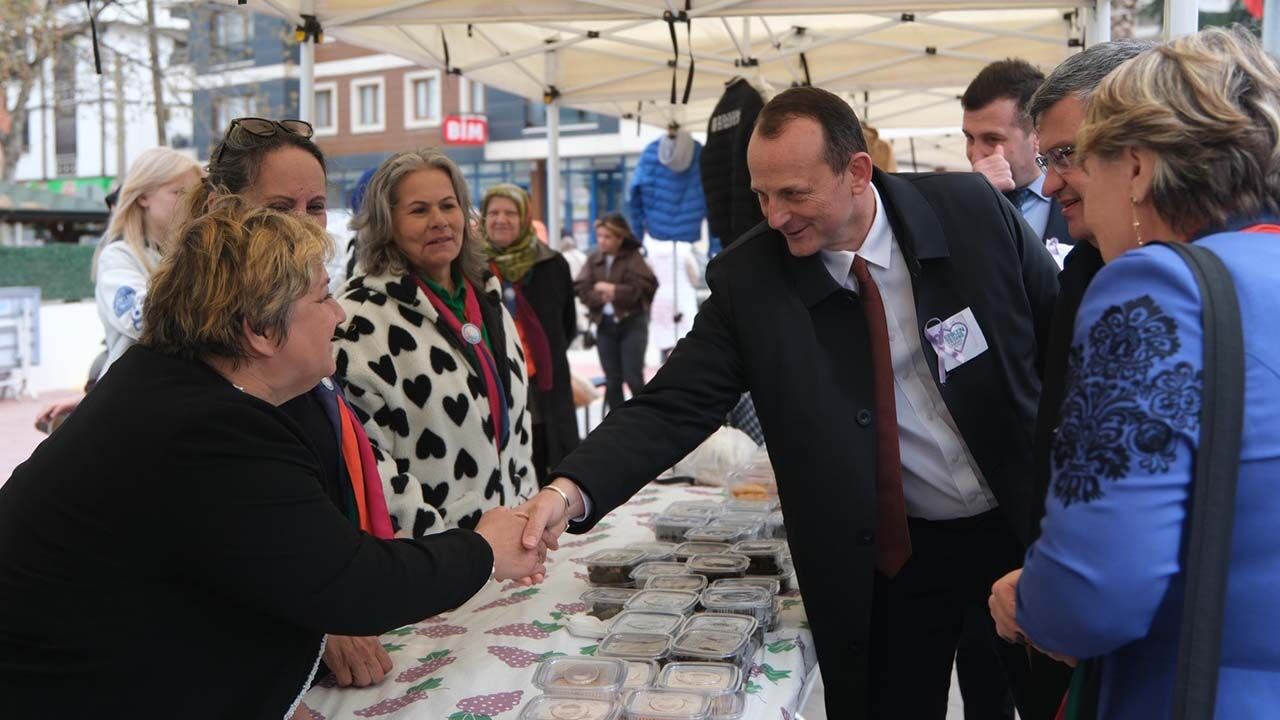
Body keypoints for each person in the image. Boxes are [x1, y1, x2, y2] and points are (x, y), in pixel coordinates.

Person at [519, 86, 1059, 719]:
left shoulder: (972, 215)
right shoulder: (753, 283)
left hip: (1023, 530)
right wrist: (567, 491)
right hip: (893, 556)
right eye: (761, 195)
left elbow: (1062, 350)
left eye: (795, 194)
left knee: (1053, 699)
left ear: (857, 172)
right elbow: (672, 405)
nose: (775, 216)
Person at [0, 199, 546, 718]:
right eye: (321, 298)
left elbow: (231, 574)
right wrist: (483, 548)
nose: (338, 315)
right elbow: (350, 584)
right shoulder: (208, 429)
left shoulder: (166, 386)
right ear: (260, 330)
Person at [991, 27, 1280, 719]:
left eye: (1085, 159)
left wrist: (1028, 600)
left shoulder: (1156, 288)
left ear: (1140, 168)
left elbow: (1094, 593)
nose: (1073, 182)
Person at [198, 117, 407, 688]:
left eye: (315, 206)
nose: (303, 226)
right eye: (279, 207)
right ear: (222, 208)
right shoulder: (203, 345)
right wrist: (321, 615)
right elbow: (231, 543)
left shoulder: (300, 318)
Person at [990, 39, 1151, 720]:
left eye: (1065, 156)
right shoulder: (1088, 267)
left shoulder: (1181, 297)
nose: (1049, 184)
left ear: (1136, 156)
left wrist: (1060, 599)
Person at [333, 148, 536, 538]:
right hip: (436, 561)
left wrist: (527, 518)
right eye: (419, 210)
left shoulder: (488, 300)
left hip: (513, 545)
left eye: (448, 205)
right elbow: (370, 465)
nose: (440, 221)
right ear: (386, 223)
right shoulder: (358, 319)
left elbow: (517, 432)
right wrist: (447, 549)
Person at [33, 148, 204, 431]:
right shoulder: (119, 257)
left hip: (166, 399)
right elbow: (143, 320)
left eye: (195, 195)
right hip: (135, 408)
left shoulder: (177, 255)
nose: (190, 204)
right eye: (178, 193)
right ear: (143, 197)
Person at [481, 183, 580, 486]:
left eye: (510, 212)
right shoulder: (470, 265)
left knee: (545, 448)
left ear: (525, 219)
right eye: (493, 212)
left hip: (544, 381)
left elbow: (567, 324)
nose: (501, 219)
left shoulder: (552, 263)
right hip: (492, 379)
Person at [963, 59, 1074, 262]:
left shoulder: (1076, 190)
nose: (975, 154)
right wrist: (974, 201)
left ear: (1036, 135)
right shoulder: (959, 205)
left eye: (992, 139)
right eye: (969, 138)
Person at [574, 212, 658, 412]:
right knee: (612, 380)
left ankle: (644, 417)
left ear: (620, 238)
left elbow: (643, 288)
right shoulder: (594, 258)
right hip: (605, 324)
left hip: (632, 323)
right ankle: (617, 424)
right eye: (600, 236)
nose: (602, 241)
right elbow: (582, 288)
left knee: (633, 376)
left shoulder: (633, 257)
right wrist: (601, 296)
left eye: (607, 237)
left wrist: (613, 290)